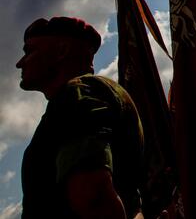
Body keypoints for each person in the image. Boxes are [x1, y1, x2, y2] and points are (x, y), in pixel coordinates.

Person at [16, 16, 144, 218]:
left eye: (30, 51)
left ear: (62, 51)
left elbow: (94, 197)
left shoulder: (77, 94)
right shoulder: (91, 94)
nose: (19, 63)